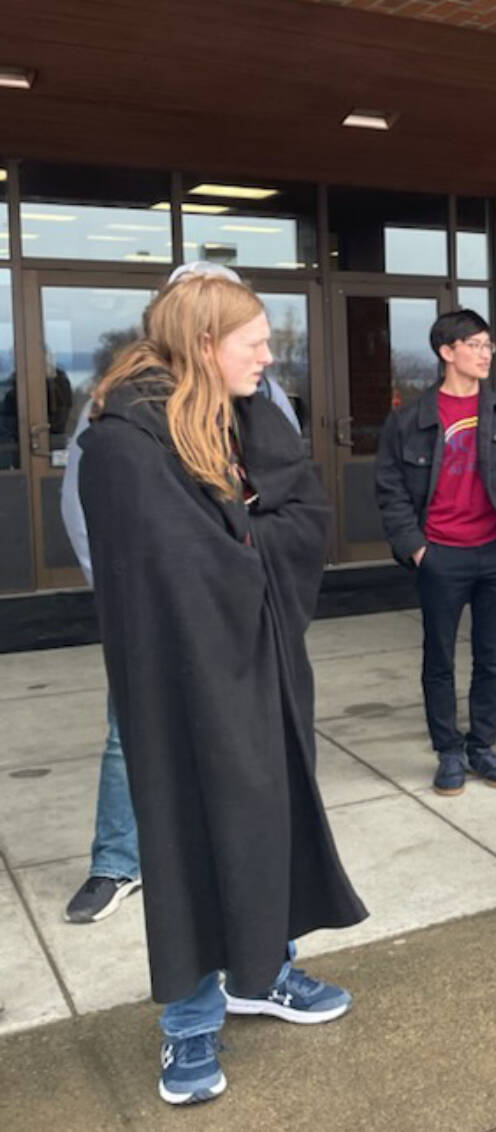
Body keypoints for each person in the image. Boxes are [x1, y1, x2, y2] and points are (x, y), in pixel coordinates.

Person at [78, 272, 365, 1105]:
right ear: (206, 344)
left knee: (264, 821)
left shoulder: (244, 412)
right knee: (188, 836)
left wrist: (241, 531)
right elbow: (175, 566)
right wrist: (245, 529)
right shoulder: (124, 439)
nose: (271, 358)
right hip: (178, 683)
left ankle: (263, 972)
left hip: (263, 663)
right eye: (256, 344)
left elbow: (302, 513)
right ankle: (189, 1024)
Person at [58, 261, 299, 926]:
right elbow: (90, 512)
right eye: (249, 336)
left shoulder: (258, 395)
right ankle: (116, 860)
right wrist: (123, 592)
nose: (265, 352)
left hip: (236, 623)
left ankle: (261, 943)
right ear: (198, 331)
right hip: (156, 615)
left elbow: (283, 488)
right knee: (131, 739)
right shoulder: (123, 419)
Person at [375, 309, 496, 797]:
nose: (486, 354)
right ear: (447, 352)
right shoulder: (410, 420)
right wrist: (417, 549)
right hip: (442, 555)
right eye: (476, 345)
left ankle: (482, 744)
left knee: (492, 657)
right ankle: (448, 750)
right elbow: (390, 489)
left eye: (489, 345)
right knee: (438, 657)